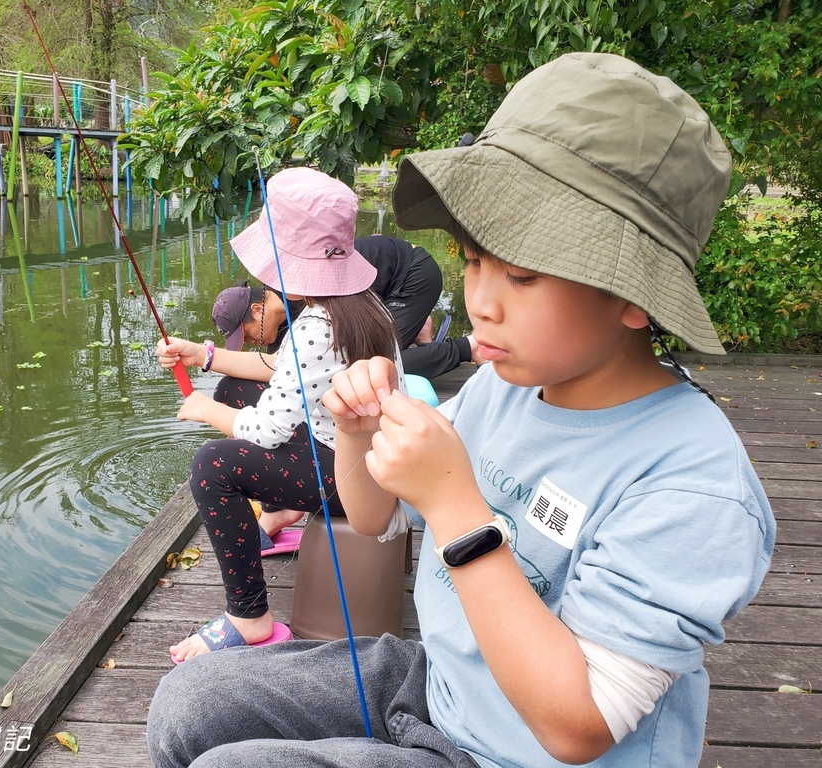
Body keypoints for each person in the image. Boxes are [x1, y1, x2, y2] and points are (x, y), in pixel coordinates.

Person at [147, 53, 775, 767]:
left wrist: (456, 506)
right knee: (185, 703)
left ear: (635, 296)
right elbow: (375, 516)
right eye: (474, 261)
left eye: (523, 274)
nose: (480, 300)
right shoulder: (503, 386)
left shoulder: (692, 485)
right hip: (441, 688)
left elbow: (580, 724)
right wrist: (356, 433)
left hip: (516, 752)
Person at [155, 166, 403, 663]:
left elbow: (266, 432)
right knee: (236, 386)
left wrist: (205, 409)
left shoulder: (313, 326)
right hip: (364, 459)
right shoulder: (361, 305)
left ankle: (249, 616)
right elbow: (277, 370)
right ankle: (283, 511)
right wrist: (199, 354)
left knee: (212, 465)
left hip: (350, 481)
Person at [212, 236, 480, 379]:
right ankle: (412, 321)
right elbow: (276, 367)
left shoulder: (301, 286)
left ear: (258, 310)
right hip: (379, 295)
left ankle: (468, 347)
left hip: (412, 273)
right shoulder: (280, 327)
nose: (249, 343)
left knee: (378, 363)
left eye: (245, 334)